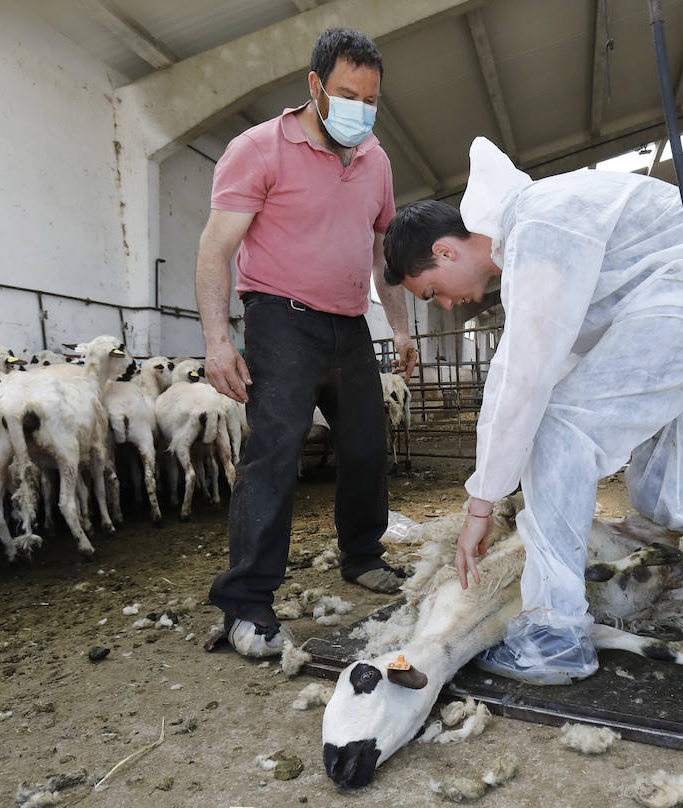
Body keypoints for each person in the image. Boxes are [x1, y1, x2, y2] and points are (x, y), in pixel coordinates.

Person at [382, 138, 683, 686]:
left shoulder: (537, 225)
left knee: (557, 432)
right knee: (660, 487)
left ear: (446, 251)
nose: (445, 304)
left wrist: (481, 503)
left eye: (432, 290)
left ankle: (555, 633)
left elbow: (522, 376)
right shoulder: (537, 231)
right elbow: (554, 365)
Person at [197, 28, 417, 658]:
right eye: (349, 95)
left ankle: (362, 556)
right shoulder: (258, 149)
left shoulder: (375, 158)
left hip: (349, 323)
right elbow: (216, 248)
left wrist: (397, 325)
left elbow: (383, 250)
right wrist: (218, 341)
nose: (362, 110)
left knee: (366, 442)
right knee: (273, 454)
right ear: (315, 87)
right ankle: (246, 605)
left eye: (371, 99)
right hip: (280, 318)